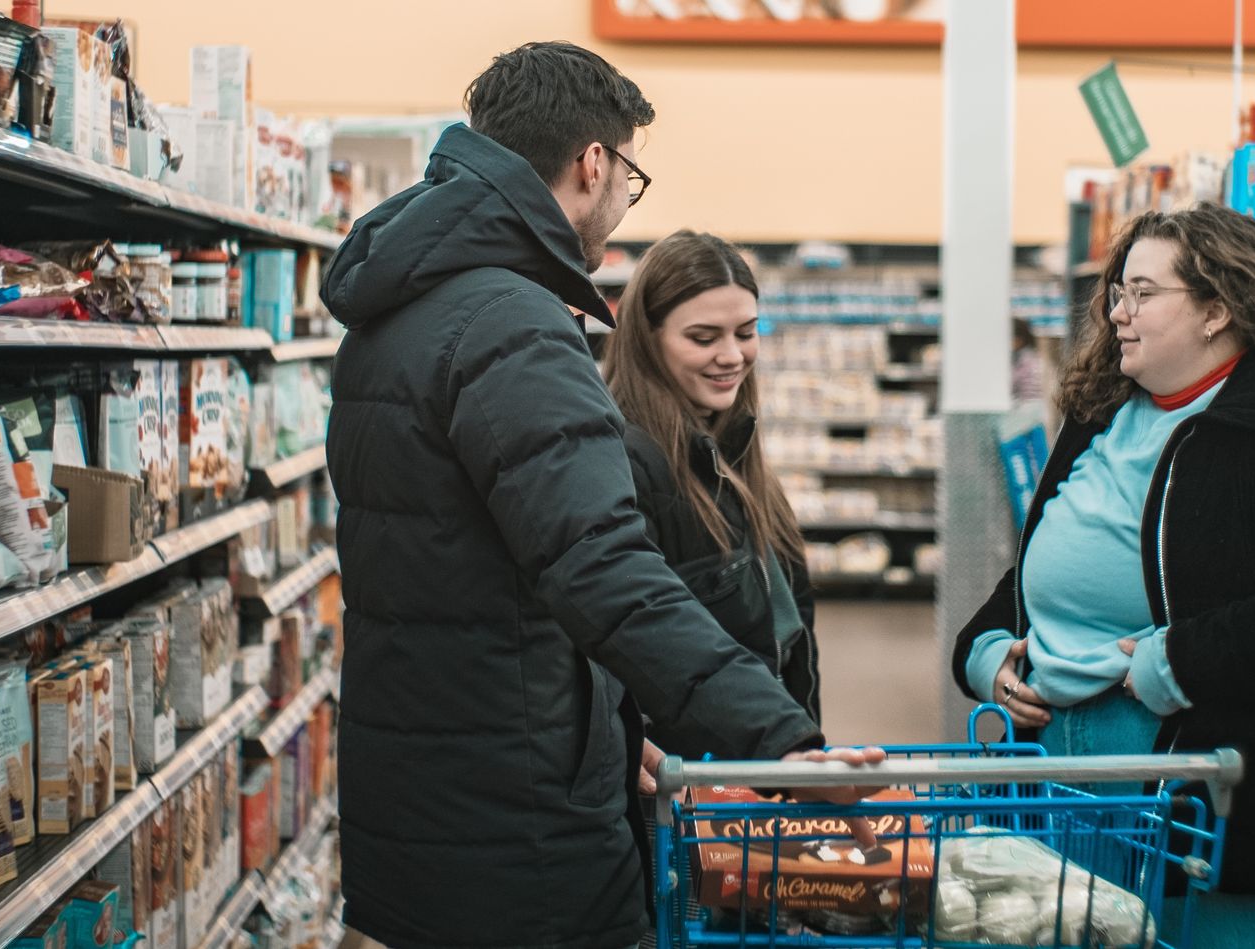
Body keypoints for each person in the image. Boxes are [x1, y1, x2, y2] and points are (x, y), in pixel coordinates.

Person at [321, 43, 881, 949]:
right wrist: (785, 745)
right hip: (522, 824)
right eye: (631, 174)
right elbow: (603, 568)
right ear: (595, 163)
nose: (625, 199)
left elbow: (477, 574)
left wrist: (617, 735)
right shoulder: (514, 322)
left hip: (421, 786)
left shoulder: (398, 308)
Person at [948, 202, 1255, 948]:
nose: (1119, 313)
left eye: (1143, 293)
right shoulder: (1104, 409)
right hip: (1064, 782)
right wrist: (985, 646)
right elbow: (1051, 557)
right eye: (1117, 293)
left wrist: (1181, 660)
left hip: (1218, 794)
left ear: (1217, 309)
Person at [605, 230, 822, 762]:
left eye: (746, 332)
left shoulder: (734, 445)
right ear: (648, 339)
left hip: (760, 767)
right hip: (691, 784)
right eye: (703, 338)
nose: (732, 356)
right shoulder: (627, 462)